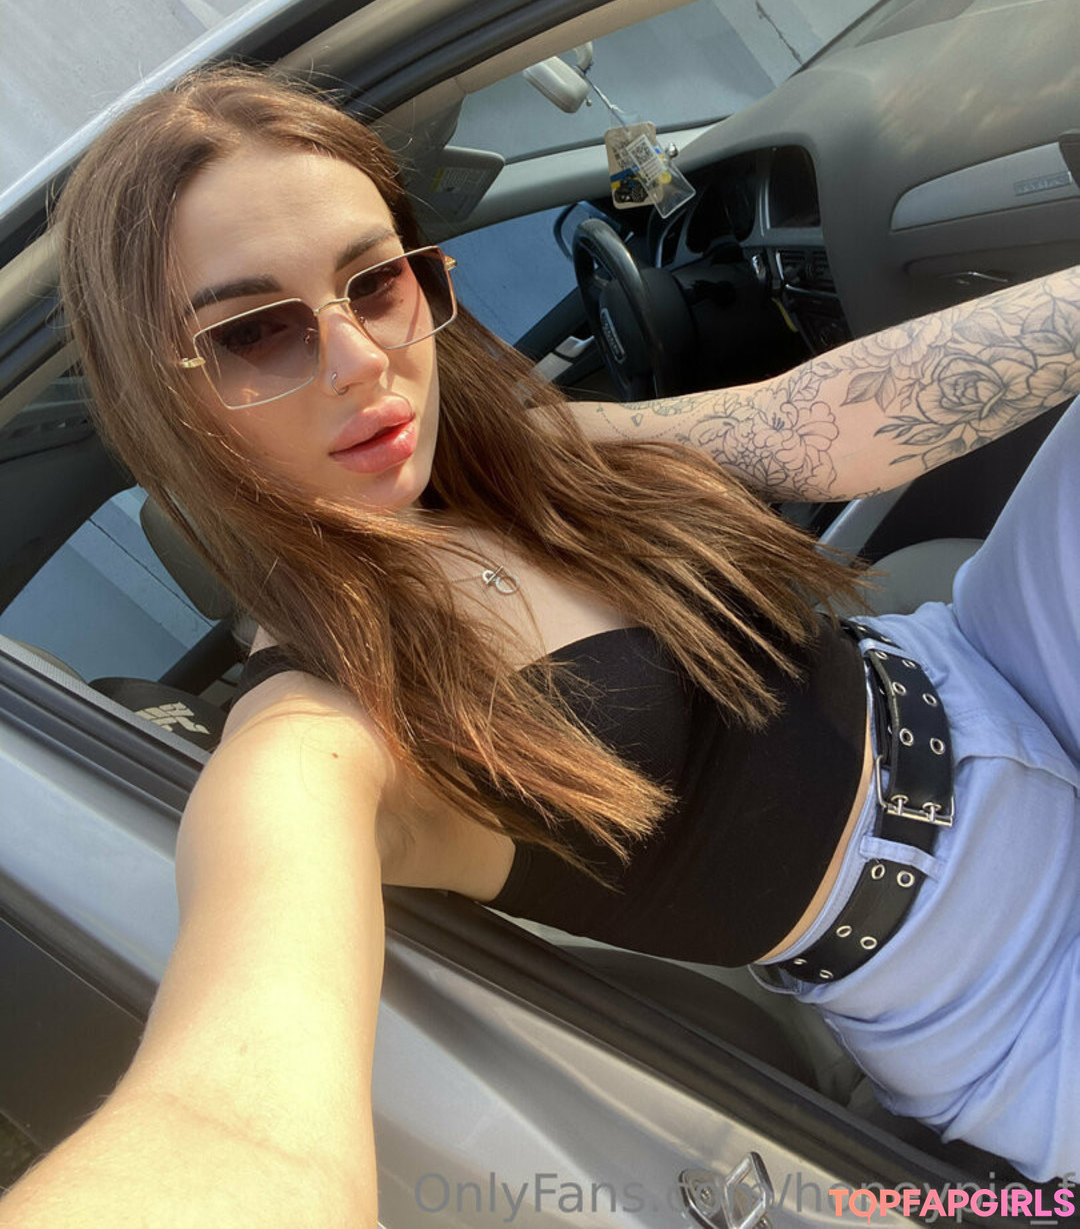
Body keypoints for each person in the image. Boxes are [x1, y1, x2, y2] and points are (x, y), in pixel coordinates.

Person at [2, 64, 1078, 1224]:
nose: (361, 359)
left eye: (375, 282)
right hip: (1008, 986)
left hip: (987, 660)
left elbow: (801, 427)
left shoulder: (514, 454)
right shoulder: (317, 730)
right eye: (255, 331)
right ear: (164, 399)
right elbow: (231, 1128)